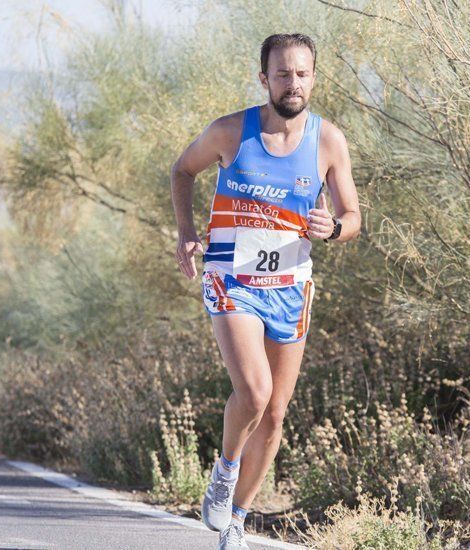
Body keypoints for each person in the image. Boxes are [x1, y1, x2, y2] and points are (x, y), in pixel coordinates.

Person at [170, 33, 360, 549]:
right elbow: (183, 170)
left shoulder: (328, 141)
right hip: (232, 278)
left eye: (301, 73)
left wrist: (334, 228)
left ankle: (236, 520)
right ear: (264, 79)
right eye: (282, 74)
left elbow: (353, 216)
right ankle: (225, 470)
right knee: (253, 392)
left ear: (313, 77)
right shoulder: (231, 132)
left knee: (275, 412)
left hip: (291, 287)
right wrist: (187, 234)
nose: (292, 83)